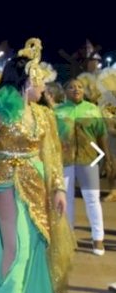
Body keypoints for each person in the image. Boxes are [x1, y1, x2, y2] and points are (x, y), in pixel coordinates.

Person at [0, 38, 74, 293]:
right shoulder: (2, 108)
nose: (44, 88)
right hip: (8, 185)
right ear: (29, 80)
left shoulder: (43, 115)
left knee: (38, 248)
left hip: (38, 185)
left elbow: (51, 157)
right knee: (17, 249)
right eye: (41, 82)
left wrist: (59, 189)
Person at [54, 79, 111, 255]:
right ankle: (68, 237)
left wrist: (107, 159)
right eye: (71, 87)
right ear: (65, 92)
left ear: (84, 90)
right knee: (66, 201)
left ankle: (98, 239)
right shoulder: (57, 111)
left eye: (79, 87)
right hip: (64, 161)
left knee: (92, 199)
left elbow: (102, 136)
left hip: (89, 160)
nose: (76, 89)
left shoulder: (93, 110)